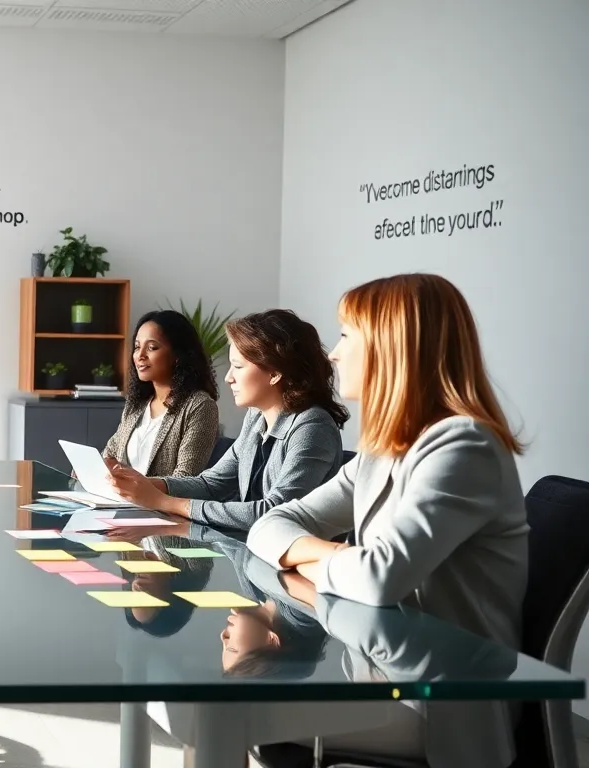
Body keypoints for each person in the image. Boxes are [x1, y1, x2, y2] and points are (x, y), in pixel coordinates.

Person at [245, 273, 528, 766]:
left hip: (440, 707)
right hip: (384, 676)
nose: (333, 354)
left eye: (347, 335)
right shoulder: (383, 449)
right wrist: (337, 554)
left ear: (392, 345)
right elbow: (270, 525)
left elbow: (379, 579)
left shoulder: (463, 445)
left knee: (240, 709)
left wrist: (324, 555)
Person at [107, 309, 348, 530]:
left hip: (294, 570)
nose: (228, 378)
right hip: (254, 553)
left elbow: (273, 512)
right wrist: (146, 484)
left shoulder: (313, 426)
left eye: (237, 366)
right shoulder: (256, 418)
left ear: (274, 373)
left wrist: (165, 502)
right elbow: (212, 484)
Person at [102, 310, 220, 478]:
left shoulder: (200, 405)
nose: (140, 355)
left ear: (178, 355)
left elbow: (186, 478)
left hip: (158, 504)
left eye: (151, 347)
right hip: (120, 502)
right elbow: (110, 454)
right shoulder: (137, 404)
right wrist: (95, 467)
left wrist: (138, 488)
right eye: (137, 347)